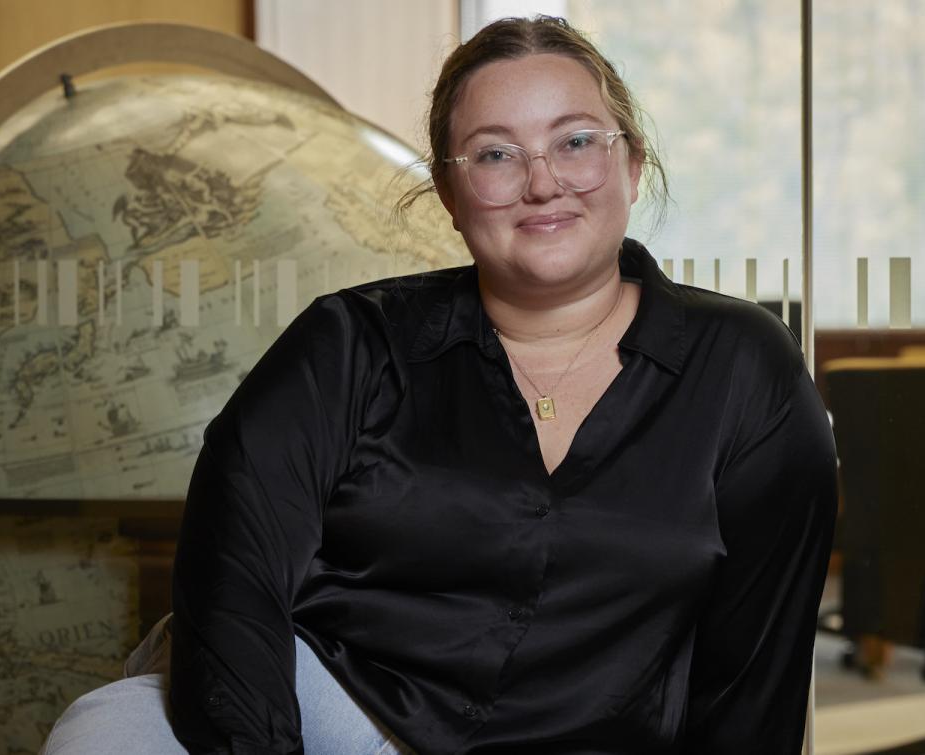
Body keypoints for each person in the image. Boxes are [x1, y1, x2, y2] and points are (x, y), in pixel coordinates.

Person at [42, 15, 836, 755]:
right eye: (495, 154)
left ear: (630, 163)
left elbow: (753, 681)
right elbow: (232, 584)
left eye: (575, 141)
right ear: (451, 196)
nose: (542, 182)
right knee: (107, 730)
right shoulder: (347, 345)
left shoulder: (744, 370)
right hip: (335, 713)